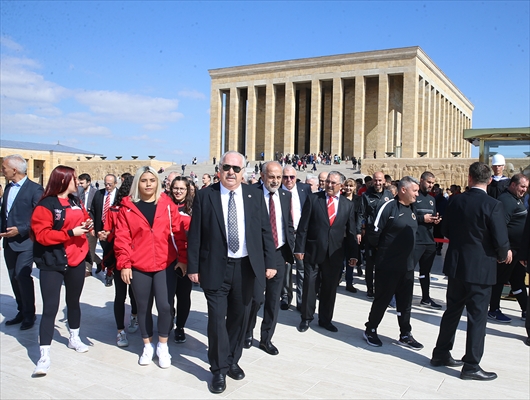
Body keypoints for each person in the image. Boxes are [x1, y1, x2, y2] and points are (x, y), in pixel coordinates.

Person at [187, 151, 276, 394]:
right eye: (227, 167)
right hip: (216, 266)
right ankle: (218, 369)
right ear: (219, 169)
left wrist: (270, 262)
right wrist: (193, 267)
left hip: (246, 267)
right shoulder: (206, 196)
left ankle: (232, 360)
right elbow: (195, 234)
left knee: (239, 317)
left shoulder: (254, 196)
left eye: (236, 169)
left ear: (244, 172)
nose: (231, 172)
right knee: (216, 320)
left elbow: (265, 232)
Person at [431, 162, 511, 381]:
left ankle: (440, 354)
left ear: (469, 178)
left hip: (457, 265)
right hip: (481, 269)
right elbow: (500, 239)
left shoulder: (456, 200)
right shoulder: (493, 205)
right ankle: (472, 365)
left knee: (452, 311)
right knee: (477, 317)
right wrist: (502, 254)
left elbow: (445, 230)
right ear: (488, 179)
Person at [114, 166, 188, 369]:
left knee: (165, 306)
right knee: (143, 307)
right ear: (138, 182)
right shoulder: (127, 207)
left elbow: (178, 233)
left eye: (152, 180)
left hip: (165, 263)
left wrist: (182, 258)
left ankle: (163, 345)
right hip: (139, 265)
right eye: (144, 180)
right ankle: (147, 345)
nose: (148, 184)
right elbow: (122, 238)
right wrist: (124, 264)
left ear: (158, 183)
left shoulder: (167, 204)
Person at [31, 166, 93, 376]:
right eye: (75, 178)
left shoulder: (77, 201)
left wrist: (88, 225)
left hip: (76, 260)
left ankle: (74, 337)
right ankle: (44, 354)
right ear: (64, 180)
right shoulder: (46, 204)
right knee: (50, 307)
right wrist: (69, 232)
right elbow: (42, 235)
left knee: (73, 302)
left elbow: (84, 220)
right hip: (53, 262)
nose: (79, 182)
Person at [363, 176, 423, 349]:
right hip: (388, 266)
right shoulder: (388, 207)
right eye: (415, 191)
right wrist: (383, 252)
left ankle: (405, 333)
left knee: (405, 302)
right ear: (403, 190)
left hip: (407, 266)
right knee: (382, 299)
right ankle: (371, 329)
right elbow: (374, 233)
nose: (417, 194)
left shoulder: (413, 208)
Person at [295, 171, 358, 333]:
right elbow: (304, 226)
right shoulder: (314, 199)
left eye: (333, 183)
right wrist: (299, 248)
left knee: (329, 289)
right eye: (328, 182)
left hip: (335, 254)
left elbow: (351, 232)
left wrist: (353, 255)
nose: (329, 185)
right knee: (309, 286)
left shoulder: (347, 205)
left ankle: (325, 319)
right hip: (313, 251)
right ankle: (306, 318)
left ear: (341, 186)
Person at [244, 161, 294, 355]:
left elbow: (287, 224)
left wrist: (290, 249)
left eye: (279, 177)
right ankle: (248, 331)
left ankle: (266, 339)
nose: (275, 181)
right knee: (255, 298)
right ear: (262, 176)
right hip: (257, 254)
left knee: (273, 300)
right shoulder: (251, 194)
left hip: (279, 253)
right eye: (271, 176)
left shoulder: (285, 195)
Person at [1, 155, 43, 330]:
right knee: (13, 277)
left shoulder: (35, 189)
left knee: (22, 275)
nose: (2, 171)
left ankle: (29, 315)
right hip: (9, 243)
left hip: (27, 242)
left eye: (4, 168)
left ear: (14, 170)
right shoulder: (9, 188)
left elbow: (40, 217)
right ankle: (21, 310)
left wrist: (21, 229)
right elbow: (5, 213)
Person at [97, 176, 139, 347]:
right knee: (125, 293)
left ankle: (128, 322)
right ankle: (124, 327)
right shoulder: (117, 210)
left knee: (127, 294)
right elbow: (108, 231)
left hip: (131, 257)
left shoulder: (135, 209)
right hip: (121, 256)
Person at [488, 174, 528, 323]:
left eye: (526, 187)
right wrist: (506, 248)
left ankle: (526, 309)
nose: (524, 190)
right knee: (499, 280)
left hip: (518, 251)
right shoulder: (505, 201)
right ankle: (493, 309)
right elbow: (500, 226)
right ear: (513, 185)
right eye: (522, 186)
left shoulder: (516, 199)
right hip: (509, 250)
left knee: (517, 280)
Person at [279, 165, 311, 311]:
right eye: (285, 177)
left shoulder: (305, 189)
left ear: (296, 177)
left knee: (301, 268)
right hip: (285, 235)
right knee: (286, 267)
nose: (288, 180)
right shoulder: (277, 192)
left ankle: (301, 299)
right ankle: (285, 296)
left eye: (292, 177)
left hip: (301, 234)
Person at [357, 172, 393, 297]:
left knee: (382, 263)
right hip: (371, 234)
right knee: (370, 262)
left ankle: (380, 287)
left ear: (384, 181)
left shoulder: (389, 195)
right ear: (372, 181)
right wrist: (359, 231)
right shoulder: (366, 195)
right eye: (375, 180)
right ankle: (369, 288)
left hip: (385, 234)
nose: (377, 183)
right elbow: (361, 214)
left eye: (380, 180)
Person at [412, 171, 443, 309]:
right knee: (407, 270)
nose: (430, 185)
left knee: (425, 272)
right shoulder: (414, 196)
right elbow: (408, 216)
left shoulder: (432, 199)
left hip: (429, 240)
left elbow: (432, 215)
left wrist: (436, 220)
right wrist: (421, 219)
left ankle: (426, 298)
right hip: (415, 240)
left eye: (432, 183)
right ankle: (397, 296)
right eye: (428, 182)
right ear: (421, 180)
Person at [168, 176, 193, 343]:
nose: (178, 191)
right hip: (166, 258)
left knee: (183, 296)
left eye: (181, 189)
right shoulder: (164, 206)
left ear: (187, 190)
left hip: (185, 259)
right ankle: (168, 321)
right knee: (167, 296)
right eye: (175, 188)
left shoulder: (193, 208)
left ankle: (180, 327)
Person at [90, 174, 118, 276]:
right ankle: (105, 267)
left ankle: (110, 273)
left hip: (113, 229)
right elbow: (93, 211)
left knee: (111, 251)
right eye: (106, 184)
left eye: (110, 184)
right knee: (105, 249)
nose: (107, 187)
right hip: (100, 227)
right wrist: (93, 227)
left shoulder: (120, 195)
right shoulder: (99, 194)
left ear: (115, 183)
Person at [77, 173, 98, 277]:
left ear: (88, 182)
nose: (80, 185)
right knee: (83, 245)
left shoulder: (95, 193)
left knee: (91, 246)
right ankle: (99, 261)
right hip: (79, 222)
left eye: (82, 183)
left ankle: (88, 269)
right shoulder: (76, 193)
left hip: (91, 222)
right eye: (79, 183)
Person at [341, 178, 358, 293]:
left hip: (352, 233)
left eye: (351, 186)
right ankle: (337, 278)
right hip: (340, 234)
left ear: (354, 187)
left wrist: (359, 231)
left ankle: (349, 282)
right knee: (339, 259)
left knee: (351, 259)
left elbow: (360, 215)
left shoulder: (358, 200)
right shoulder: (340, 199)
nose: (348, 188)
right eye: (347, 185)